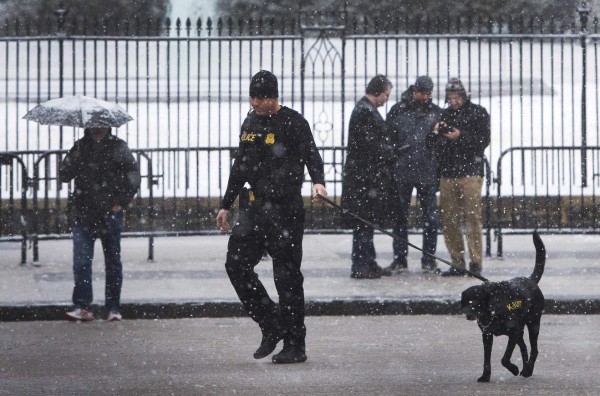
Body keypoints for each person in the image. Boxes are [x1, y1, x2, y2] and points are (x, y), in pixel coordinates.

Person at [216, 70, 328, 364]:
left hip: (285, 209)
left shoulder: (293, 122)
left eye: (260, 98)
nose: (254, 103)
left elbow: (312, 154)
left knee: (287, 277)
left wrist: (318, 181)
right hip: (253, 208)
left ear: (273, 97)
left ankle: (295, 344)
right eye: (251, 97)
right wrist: (226, 204)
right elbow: (240, 166)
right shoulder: (250, 121)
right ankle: (271, 323)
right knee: (236, 265)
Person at [60, 127, 141, 321]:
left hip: (108, 212)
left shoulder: (118, 147)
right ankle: (83, 306)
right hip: (84, 211)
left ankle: (112, 307)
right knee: (82, 262)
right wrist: (73, 159)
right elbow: (64, 174)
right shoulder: (81, 146)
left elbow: (133, 177)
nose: (97, 128)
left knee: (112, 263)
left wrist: (120, 202)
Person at [426, 78, 490, 276]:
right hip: (448, 172)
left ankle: (476, 261)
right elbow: (431, 144)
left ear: (463, 96)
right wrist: (437, 133)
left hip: (470, 172)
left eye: (456, 97)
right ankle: (457, 261)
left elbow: (483, 140)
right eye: (450, 97)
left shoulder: (478, 113)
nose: (453, 101)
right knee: (449, 219)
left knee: (472, 217)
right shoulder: (444, 114)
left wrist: (460, 136)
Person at [341, 75, 397, 279]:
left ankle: (368, 261)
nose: (387, 99)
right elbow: (369, 145)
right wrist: (390, 152)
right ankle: (361, 263)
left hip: (365, 176)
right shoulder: (364, 112)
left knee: (367, 221)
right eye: (386, 94)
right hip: (364, 178)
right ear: (379, 92)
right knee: (363, 221)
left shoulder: (366, 110)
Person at [385, 76, 441, 275]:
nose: (426, 97)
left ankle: (428, 260)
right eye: (423, 93)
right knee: (400, 217)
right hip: (404, 171)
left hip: (426, 170)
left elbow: (440, 144)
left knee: (430, 218)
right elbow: (388, 138)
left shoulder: (435, 112)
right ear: (415, 91)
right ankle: (400, 259)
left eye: (428, 94)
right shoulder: (399, 110)